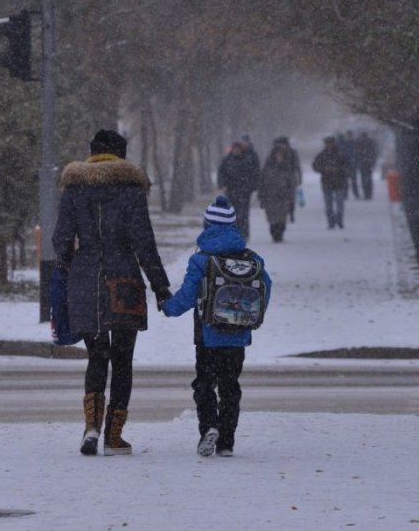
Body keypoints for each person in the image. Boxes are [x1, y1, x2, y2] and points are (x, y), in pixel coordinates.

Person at [52, 129, 173, 456]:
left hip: (85, 280)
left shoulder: (74, 191)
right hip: (124, 282)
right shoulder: (131, 191)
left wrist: (68, 264)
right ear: (120, 155)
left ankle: (91, 428)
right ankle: (114, 436)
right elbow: (144, 243)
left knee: (96, 356)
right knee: (122, 359)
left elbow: (61, 239)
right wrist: (160, 287)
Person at [158, 195, 272, 457]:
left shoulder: (201, 261)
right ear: (234, 226)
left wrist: (167, 307)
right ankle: (227, 442)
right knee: (230, 385)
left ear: (207, 225)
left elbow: (187, 297)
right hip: (238, 336)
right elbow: (266, 288)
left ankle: (209, 427)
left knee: (205, 384)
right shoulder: (251, 259)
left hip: (207, 336)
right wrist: (252, 316)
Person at [217, 139, 259, 239]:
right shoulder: (227, 160)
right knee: (232, 213)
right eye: (235, 149)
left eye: (238, 149)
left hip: (244, 191)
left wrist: (251, 186)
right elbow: (221, 173)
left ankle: (244, 233)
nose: (236, 151)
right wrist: (223, 184)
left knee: (243, 213)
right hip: (231, 191)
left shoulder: (247, 160)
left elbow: (253, 173)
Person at [258, 140, 299, 242]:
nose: (278, 157)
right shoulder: (267, 169)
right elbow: (261, 182)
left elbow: (291, 183)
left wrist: (291, 196)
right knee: (272, 219)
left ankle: (280, 233)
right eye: (277, 155)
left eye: (280, 155)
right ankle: (274, 234)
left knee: (282, 218)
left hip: (283, 197)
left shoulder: (287, 168)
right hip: (270, 197)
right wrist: (261, 195)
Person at [312, 135, 351, 229]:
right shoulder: (322, 155)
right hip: (327, 182)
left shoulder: (340, 154)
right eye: (328, 144)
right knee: (328, 205)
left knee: (339, 204)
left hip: (339, 182)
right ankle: (331, 222)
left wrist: (337, 170)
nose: (329, 145)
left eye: (331, 143)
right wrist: (324, 169)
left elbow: (347, 167)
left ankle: (339, 220)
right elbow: (315, 166)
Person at [355, 131, 380, 200]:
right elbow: (374, 153)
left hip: (363, 164)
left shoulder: (360, 143)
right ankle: (368, 193)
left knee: (364, 179)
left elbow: (357, 154)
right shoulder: (370, 143)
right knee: (368, 179)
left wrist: (359, 162)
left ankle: (366, 193)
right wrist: (372, 162)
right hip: (368, 164)